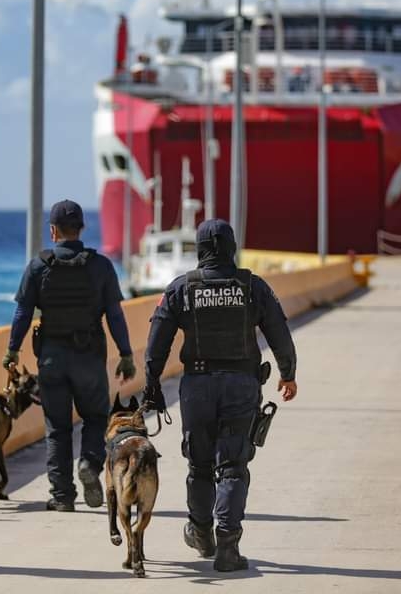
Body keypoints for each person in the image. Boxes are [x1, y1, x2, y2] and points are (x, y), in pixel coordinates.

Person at [142, 219, 297, 572]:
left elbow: (157, 342)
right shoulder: (253, 286)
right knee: (233, 464)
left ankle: (200, 532)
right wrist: (288, 373)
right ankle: (228, 546)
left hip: (197, 386)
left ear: (200, 250)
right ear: (232, 248)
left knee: (198, 464)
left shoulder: (182, 288)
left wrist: (151, 385)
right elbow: (278, 331)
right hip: (241, 384)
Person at [3, 200, 135, 512]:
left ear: (53, 231)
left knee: (57, 428)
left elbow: (23, 312)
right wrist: (126, 353)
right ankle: (89, 463)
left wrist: (12, 350)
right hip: (88, 355)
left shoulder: (39, 266)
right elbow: (114, 314)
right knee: (95, 417)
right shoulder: (100, 265)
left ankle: (62, 496)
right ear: (82, 230)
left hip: (51, 357)